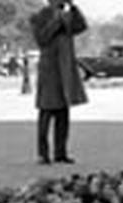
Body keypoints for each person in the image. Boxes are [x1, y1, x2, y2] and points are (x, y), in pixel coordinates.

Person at [30, 0, 88, 165]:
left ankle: (60, 153)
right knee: (46, 112)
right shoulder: (40, 16)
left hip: (64, 70)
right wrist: (57, 20)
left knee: (63, 113)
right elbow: (42, 38)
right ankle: (43, 154)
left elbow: (81, 26)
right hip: (49, 70)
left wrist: (74, 8)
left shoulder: (68, 16)